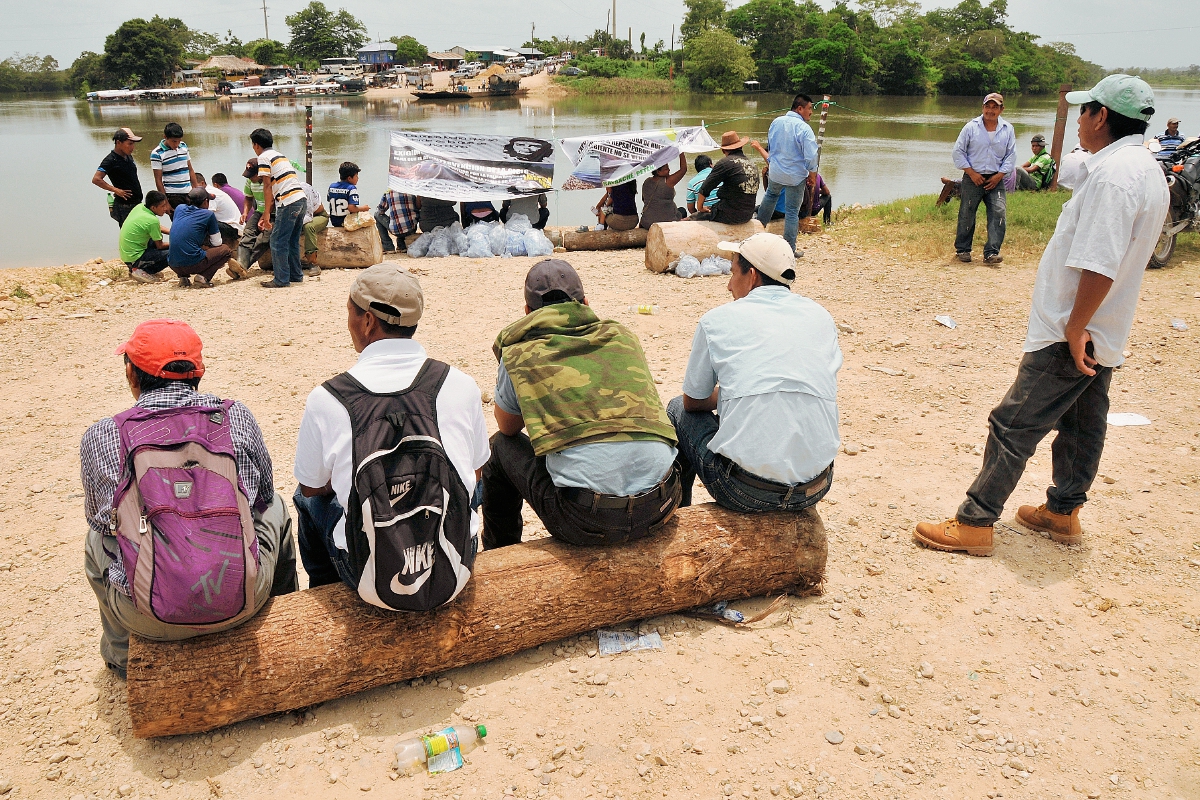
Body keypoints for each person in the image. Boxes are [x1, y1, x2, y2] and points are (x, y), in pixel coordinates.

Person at [914, 74, 1168, 557]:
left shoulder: (1115, 177)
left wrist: (1074, 327)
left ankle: (975, 521)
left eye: (1084, 111)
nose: (1079, 121)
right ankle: (1063, 511)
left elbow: (1100, 262)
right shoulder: (1143, 168)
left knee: (1013, 423)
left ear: (1102, 116)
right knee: (1082, 424)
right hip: (1103, 327)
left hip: (1072, 329)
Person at [81, 319, 298, 677]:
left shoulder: (105, 433)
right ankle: (284, 619)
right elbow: (261, 494)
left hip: (147, 614)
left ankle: (122, 658)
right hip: (244, 600)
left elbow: (102, 521)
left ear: (131, 374)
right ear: (199, 372)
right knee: (274, 505)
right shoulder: (234, 416)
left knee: (95, 539)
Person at [293, 265, 490, 589]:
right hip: (454, 566)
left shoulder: (328, 398)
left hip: (371, 578)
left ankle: (326, 589)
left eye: (350, 312)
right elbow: (477, 472)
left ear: (368, 321)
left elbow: (312, 488)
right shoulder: (460, 384)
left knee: (304, 498)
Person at [483, 259, 680, 549]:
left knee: (499, 447)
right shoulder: (623, 337)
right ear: (585, 303)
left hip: (587, 521)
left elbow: (508, 427)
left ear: (527, 312)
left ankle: (501, 553)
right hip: (662, 504)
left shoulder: (518, 353)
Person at [668, 232, 840, 513]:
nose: (728, 285)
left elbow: (692, 402)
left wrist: (728, 394)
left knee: (677, 409)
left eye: (733, 273)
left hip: (744, 491)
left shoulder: (717, 321)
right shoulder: (821, 316)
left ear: (752, 276)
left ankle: (679, 513)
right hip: (816, 486)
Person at [951, 93, 1016, 265]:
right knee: (967, 212)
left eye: (995, 107)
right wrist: (972, 173)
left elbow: (1011, 155)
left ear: (1001, 109)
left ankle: (991, 253)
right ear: (983, 107)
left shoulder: (1008, 129)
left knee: (998, 212)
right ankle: (963, 249)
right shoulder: (971, 127)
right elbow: (958, 152)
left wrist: (999, 175)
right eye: (988, 106)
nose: (990, 110)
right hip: (973, 177)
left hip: (996, 178)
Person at [755, 95, 819, 252]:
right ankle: (790, 249)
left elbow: (771, 147)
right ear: (800, 108)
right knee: (792, 212)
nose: (811, 112)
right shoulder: (804, 129)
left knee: (770, 197)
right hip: (795, 176)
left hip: (776, 172)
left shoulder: (776, 122)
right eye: (809, 108)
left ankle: (756, 236)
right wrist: (812, 173)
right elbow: (811, 155)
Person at [251, 128, 308, 289]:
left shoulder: (263, 157)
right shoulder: (280, 155)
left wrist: (266, 214)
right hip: (300, 199)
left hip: (288, 201)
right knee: (291, 240)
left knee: (277, 240)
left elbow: (267, 186)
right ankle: (295, 275)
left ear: (256, 145)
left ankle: (281, 279)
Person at [168, 187, 236, 288]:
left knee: (185, 243)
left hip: (173, 264)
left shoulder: (179, 208)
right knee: (225, 250)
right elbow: (217, 243)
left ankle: (183, 278)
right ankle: (202, 278)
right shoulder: (208, 214)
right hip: (192, 264)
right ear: (205, 202)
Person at [693, 130, 762, 225]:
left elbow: (705, 188)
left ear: (723, 150)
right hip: (748, 214)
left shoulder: (725, 163)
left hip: (730, 215)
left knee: (695, 218)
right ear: (741, 146)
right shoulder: (752, 164)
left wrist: (700, 208)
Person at [93, 128, 144, 228]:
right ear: (118, 142)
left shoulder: (128, 157)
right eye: (130, 144)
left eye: (133, 144)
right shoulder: (111, 160)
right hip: (124, 206)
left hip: (137, 203)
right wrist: (116, 190)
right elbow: (96, 179)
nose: (132, 147)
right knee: (130, 233)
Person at [118, 191, 172, 283]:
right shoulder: (152, 220)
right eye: (162, 206)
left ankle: (137, 268)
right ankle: (143, 270)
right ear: (153, 207)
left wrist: (173, 232)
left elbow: (154, 227)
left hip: (127, 256)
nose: (166, 208)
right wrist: (178, 242)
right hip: (135, 258)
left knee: (153, 237)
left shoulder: (140, 207)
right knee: (174, 252)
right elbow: (160, 246)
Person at [150, 122, 197, 213]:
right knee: (179, 219)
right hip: (173, 194)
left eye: (179, 141)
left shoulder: (183, 146)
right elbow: (158, 180)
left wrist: (196, 188)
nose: (177, 144)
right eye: (174, 141)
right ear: (165, 137)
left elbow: (190, 169)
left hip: (189, 192)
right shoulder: (157, 153)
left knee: (194, 219)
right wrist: (165, 202)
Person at [237, 158, 271, 272]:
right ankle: (240, 263)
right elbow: (248, 198)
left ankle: (243, 266)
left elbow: (272, 202)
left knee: (264, 239)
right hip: (259, 211)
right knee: (248, 232)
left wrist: (265, 216)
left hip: (273, 212)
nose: (250, 178)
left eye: (252, 175)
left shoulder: (271, 181)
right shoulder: (250, 181)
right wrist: (245, 212)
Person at [639, 153, 688, 229]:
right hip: (666, 222)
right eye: (666, 169)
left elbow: (644, 199)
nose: (669, 170)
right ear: (658, 172)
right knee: (682, 211)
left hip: (647, 222)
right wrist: (681, 152)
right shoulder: (668, 181)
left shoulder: (647, 181)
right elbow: (683, 169)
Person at [195, 173, 243, 248]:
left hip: (233, 228)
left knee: (204, 221)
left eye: (193, 185)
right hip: (227, 225)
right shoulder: (209, 191)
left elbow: (206, 215)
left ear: (202, 183)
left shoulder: (210, 193)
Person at [327, 161, 371, 227]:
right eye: (356, 176)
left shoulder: (331, 186)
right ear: (349, 178)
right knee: (369, 219)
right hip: (346, 221)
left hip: (334, 221)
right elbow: (352, 208)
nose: (358, 178)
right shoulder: (351, 188)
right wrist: (363, 208)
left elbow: (329, 200)